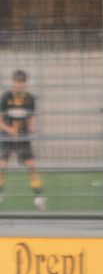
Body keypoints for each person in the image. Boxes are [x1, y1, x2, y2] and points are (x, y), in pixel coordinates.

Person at [1, 69, 45, 209]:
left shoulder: (30, 98)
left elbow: (32, 117)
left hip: (23, 137)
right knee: (2, 166)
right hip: (7, 137)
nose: (20, 84)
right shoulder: (5, 97)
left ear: (25, 83)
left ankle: (39, 196)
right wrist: (10, 131)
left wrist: (32, 127)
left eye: (22, 82)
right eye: (17, 82)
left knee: (31, 166)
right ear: (13, 82)